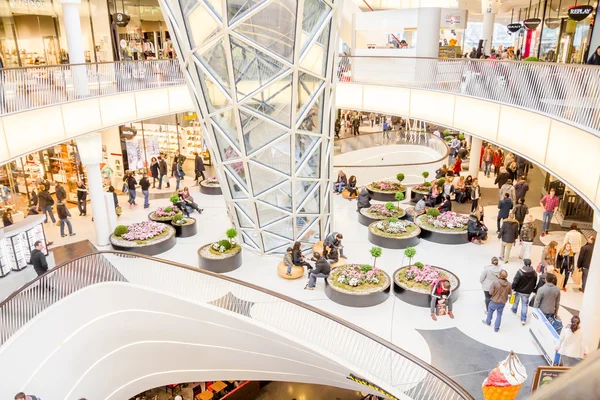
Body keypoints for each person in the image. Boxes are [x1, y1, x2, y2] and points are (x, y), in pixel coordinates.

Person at [511, 259, 537, 325]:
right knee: (524, 305)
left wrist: (512, 288)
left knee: (516, 301)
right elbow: (534, 283)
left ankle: (514, 310)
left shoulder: (520, 272)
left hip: (518, 290)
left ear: (524, 264)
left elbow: (515, 281)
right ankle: (523, 319)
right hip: (527, 292)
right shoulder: (534, 273)